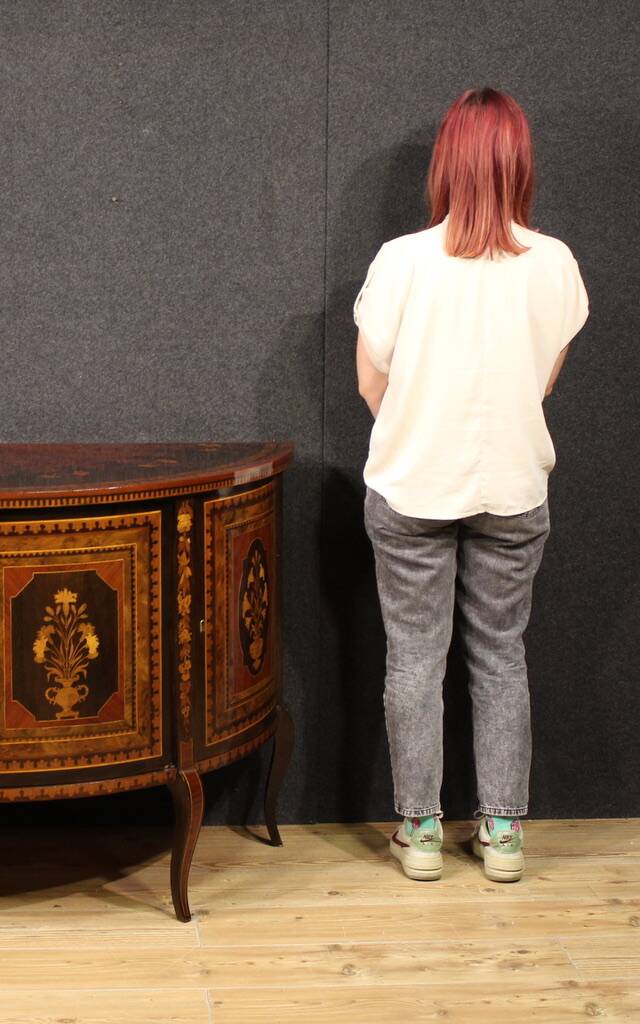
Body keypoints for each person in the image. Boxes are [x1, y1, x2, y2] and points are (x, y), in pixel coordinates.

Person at [353, 87, 589, 883]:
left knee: (414, 660)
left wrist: (422, 427)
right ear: (520, 163)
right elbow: (543, 382)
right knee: (500, 656)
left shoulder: (402, 261)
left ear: (446, 163)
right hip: (514, 488)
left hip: (411, 487)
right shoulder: (555, 265)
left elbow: (370, 381)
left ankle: (420, 831)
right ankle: (503, 834)